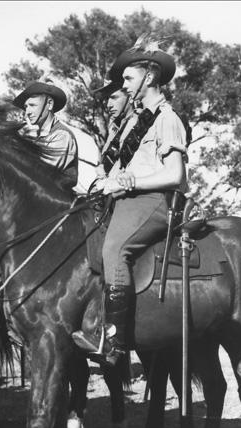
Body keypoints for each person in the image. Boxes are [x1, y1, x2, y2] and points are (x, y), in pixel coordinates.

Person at [72, 39, 189, 366]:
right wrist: (101, 187)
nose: (123, 85)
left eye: (128, 79)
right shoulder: (138, 122)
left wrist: (131, 182)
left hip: (154, 201)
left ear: (149, 78)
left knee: (113, 249)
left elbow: (175, 174)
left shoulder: (167, 118)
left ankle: (114, 343)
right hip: (128, 199)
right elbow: (122, 171)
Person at [12, 79, 78, 191]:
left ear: (49, 104)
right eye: (26, 106)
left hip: (57, 204)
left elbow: (39, 175)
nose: (27, 112)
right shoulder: (37, 136)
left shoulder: (62, 136)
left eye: (32, 105)